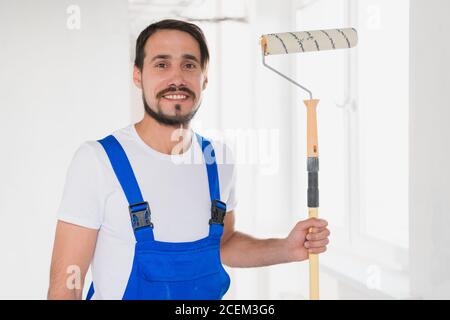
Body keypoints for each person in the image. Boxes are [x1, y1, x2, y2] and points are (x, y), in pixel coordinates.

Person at [47, 19, 330, 300]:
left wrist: (286, 248)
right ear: (137, 75)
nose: (177, 78)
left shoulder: (218, 159)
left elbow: (224, 244)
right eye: (161, 64)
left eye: (189, 65)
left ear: (204, 78)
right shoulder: (97, 161)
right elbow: (65, 286)